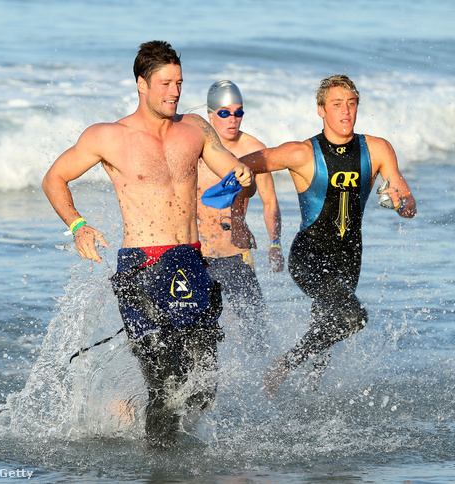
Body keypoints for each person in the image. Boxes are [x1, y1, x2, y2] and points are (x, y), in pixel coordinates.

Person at [41, 41, 256, 446]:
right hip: (143, 268)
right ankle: (160, 464)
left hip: (191, 262)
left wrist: (244, 177)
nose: (175, 92)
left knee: (204, 387)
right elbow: (54, 178)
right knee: (166, 382)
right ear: (142, 84)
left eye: (179, 83)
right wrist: (78, 226)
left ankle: (148, 427)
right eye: (165, 84)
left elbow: (234, 172)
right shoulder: (109, 136)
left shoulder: (195, 128)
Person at [239, 74, 416, 398]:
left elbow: (406, 198)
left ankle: (310, 400)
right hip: (309, 255)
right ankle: (283, 365)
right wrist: (234, 214)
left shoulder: (377, 149)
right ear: (321, 110)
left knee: (326, 329)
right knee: (352, 318)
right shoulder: (302, 153)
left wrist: (402, 203)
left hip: (349, 258)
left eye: (351, 103)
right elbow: (239, 168)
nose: (345, 111)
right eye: (336, 104)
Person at [197, 80, 284, 354]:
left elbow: (270, 202)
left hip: (236, 252)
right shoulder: (195, 146)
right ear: (210, 114)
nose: (232, 119)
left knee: (255, 331)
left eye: (238, 112)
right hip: (197, 252)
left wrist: (275, 243)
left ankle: (261, 375)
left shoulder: (254, 149)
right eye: (225, 113)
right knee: (199, 331)